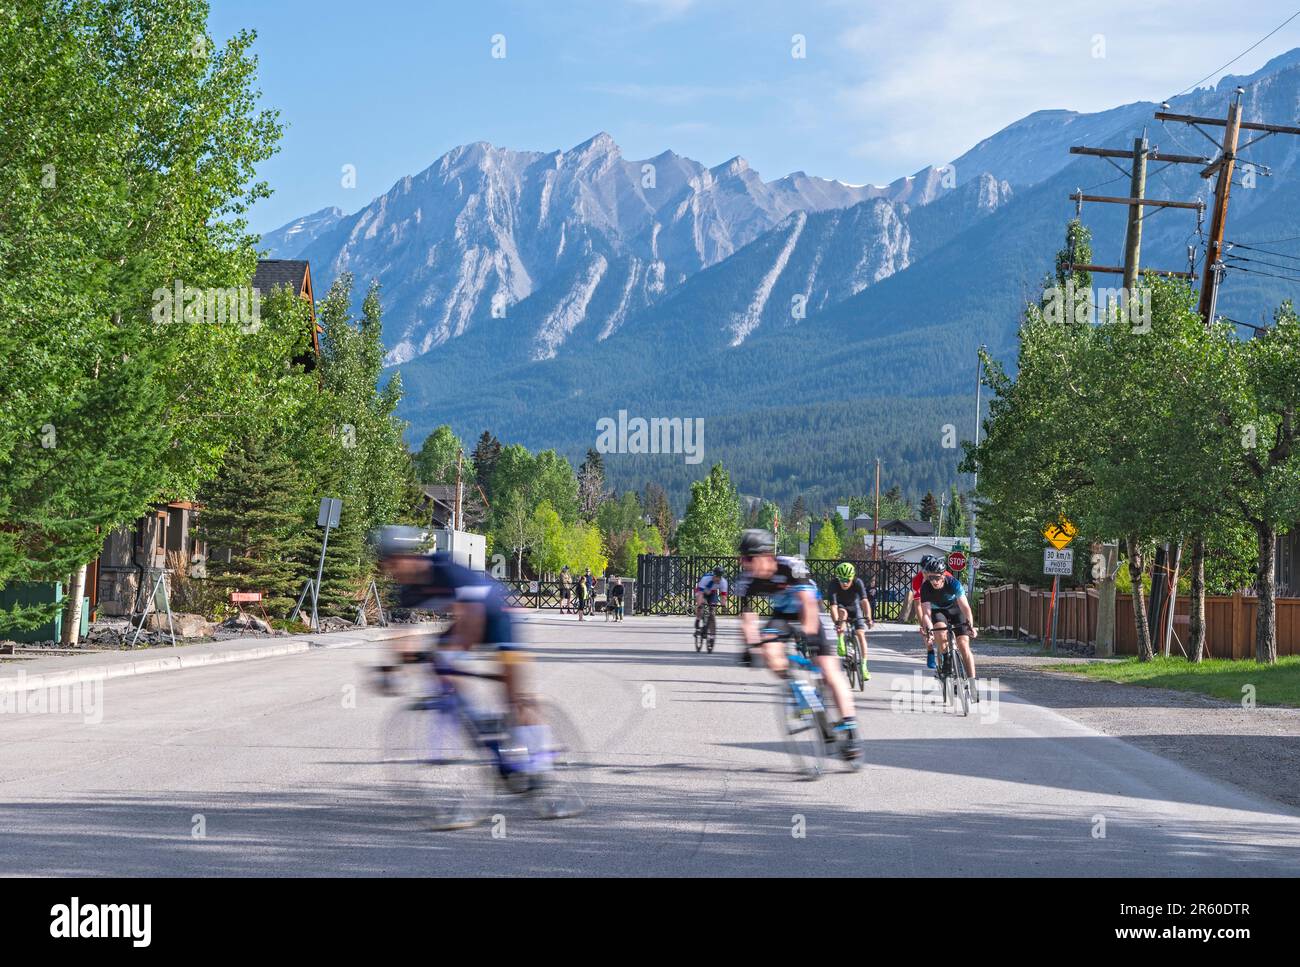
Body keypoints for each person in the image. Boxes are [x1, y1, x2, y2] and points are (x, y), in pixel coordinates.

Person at [369, 526, 555, 824]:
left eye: (392, 562)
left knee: (513, 692)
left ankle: (541, 763)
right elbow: (401, 634)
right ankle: (470, 718)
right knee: (443, 671)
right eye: (386, 565)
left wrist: (455, 653)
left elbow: (471, 618)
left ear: (408, 556)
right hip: (468, 620)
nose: (390, 571)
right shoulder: (405, 590)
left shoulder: (445, 570)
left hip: (496, 615)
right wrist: (390, 668)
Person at [733, 529, 861, 760]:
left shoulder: (790, 566)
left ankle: (850, 730)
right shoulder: (747, 580)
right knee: (770, 654)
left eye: (749, 558)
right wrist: (749, 646)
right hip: (782, 614)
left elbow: (808, 605)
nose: (745, 564)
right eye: (743, 559)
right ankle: (797, 688)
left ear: (766, 555)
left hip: (808, 610)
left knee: (828, 670)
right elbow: (748, 618)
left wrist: (811, 638)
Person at [917, 559, 979, 699]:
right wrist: (929, 629)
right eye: (930, 577)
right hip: (937, 612)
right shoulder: (926, 587)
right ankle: (945, 658)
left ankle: (972, 684)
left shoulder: (953, 583)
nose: (934, 581)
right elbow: (926, 613)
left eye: (937, 577)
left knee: (963, 645)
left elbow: (965, 607)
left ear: (943, 575)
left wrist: (970, 626)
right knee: (940, 630)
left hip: (955, 610)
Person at [824, 562, 872, 681]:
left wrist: (869, 617)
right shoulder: (833, 584)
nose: (845, 583)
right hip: (841, 607)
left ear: (852, 577)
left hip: (854, 607)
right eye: (842, 580)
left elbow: (864, 602)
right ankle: (841, 639)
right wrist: (837, 624)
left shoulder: (858, 582)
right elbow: (833, 607)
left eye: (847, 580)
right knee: (843, 613)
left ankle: (864, 666)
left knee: (861, 634)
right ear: (838, 578)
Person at [906, 554, 952, 669]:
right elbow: (917, 604)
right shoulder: (917, 581)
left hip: (944, 603)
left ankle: (953, 653)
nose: (927, 574)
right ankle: (930, 651)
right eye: (924, 571)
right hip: (927, 604)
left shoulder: (945, 575)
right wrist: (922, 624)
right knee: (926, 629)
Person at [694, 566, 729, 637]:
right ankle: (698, 620)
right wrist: (700, 605)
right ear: (714, 575)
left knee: (712, 610)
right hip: (702, 592)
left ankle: (711, 633)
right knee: (700, 606)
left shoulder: (723, 582)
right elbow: (700, 594)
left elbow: (723, 596)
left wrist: (723, 606)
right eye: (716, 577)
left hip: (712, 593)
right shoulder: (705, 579)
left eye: (720, 577)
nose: (718, 579)